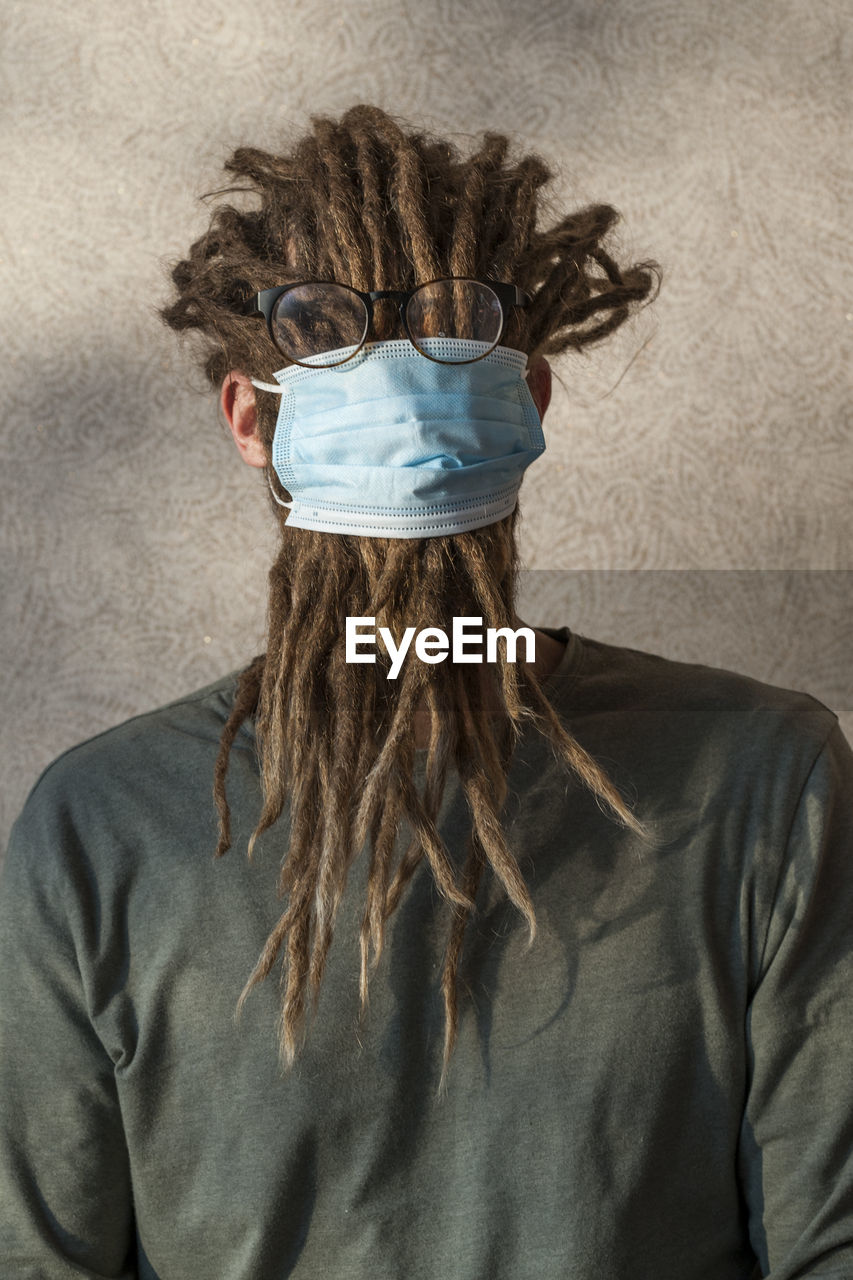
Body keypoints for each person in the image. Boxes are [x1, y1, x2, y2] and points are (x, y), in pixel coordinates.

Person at [1, 103, 851, 1280]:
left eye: (447, 329)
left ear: (244, 421)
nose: (393, 377)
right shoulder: (768, 771)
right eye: (326, 332)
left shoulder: (772, 781)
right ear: (531, 410)